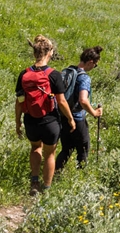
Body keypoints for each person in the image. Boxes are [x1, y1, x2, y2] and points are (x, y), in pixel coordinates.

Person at [15, 34, 76, 194]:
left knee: (35, 148)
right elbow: (61, 101)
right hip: (49, 121)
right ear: (49, 52)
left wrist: (18, 122)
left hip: (30, 119)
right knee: (50, 153)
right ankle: (46, 189)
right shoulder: (54, 75)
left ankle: (34, 183)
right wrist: (70, 119)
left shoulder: (24, 74)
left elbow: (19, 101)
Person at [55, 46, 104, 172]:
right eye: (95, 65)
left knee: (66, 149)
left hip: (63, 115)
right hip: (76, 118)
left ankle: (55, 173)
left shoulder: (68, 71)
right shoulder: (84, 78)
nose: (94, 67)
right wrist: (94, 112)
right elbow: (83, 100)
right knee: (83, 148)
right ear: (90, 62)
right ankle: (81, 175)